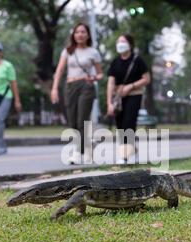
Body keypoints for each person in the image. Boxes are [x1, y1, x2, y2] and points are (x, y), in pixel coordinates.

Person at [51, 23, 103, 165]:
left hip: (86, 86)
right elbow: (59, 71)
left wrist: (93, 78)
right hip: (70, 86)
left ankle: (77, 153)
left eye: (83, 32)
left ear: (87, 35)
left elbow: (100, 74)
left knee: (82, 121)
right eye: (77, 32)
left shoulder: (93, 52)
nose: (80, 34)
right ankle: (88, 145)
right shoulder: (68, 51)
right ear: (73, 35)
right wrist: (54, 88)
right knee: (72, 121)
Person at [106, 34, 151, 164]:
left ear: (130, 44)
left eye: (123, 41)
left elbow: (146, 79)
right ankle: (133, 151)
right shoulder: (115, 62)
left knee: (128, 124)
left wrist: (130, 86)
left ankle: (125, 156)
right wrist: (109, 102)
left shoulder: (138, 60)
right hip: (118, 98)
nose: (120, 44)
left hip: (134, 95)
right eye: (118, 41)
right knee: (120, 126)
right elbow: (110, 83)